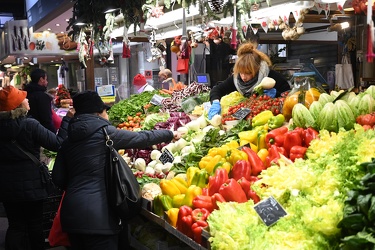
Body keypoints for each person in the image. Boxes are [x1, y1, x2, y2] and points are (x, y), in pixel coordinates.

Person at [52, 90, 181, 250]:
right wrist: (169, 133)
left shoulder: (68, 140)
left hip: (71, 216)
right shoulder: (105, 133)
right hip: (99, 217)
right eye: (105, 111)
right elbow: (142, 138)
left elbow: (57, 178)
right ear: (98, 113)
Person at [0, 86, 74, 250]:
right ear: (18, 106)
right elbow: (58, 144)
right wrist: (67, 119)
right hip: (31, 185)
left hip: (5, 185)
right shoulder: (30, 125)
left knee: (16, 225)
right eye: (23, 98)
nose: (27, 100)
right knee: (34, 224)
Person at [208, 42, 291, 119]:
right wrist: (215, 102)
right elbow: (217, 90)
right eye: (241, 72)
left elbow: (290, 96)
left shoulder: (272, 76)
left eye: (248, 73)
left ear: (257, 69)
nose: (243, 77)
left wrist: (277, 94)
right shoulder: (236, 80)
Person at [24, 69, 57, 133]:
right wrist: (53, 135)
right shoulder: (42, 97)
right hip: (41, 133)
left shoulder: (26, 93)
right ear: (41, 79)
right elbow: (47, 119)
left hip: (28, 131)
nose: (47, 82)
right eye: (46, 79)